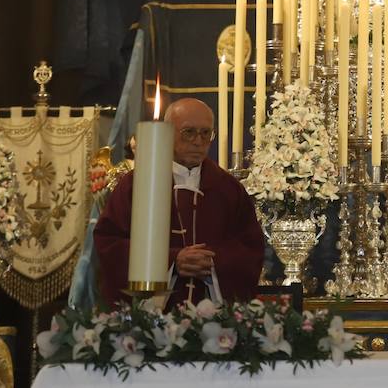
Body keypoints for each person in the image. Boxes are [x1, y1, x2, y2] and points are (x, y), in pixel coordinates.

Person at [94, 97, 265, 308]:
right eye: (189, 132)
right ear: (167, 133)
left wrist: (212, 262)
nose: (198, 142)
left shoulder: (228, 189)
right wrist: (172, 260)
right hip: (154, 316)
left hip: (212, 315)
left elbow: (250, 249)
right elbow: (109, 243)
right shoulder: (137, 183)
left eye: (206, 133)